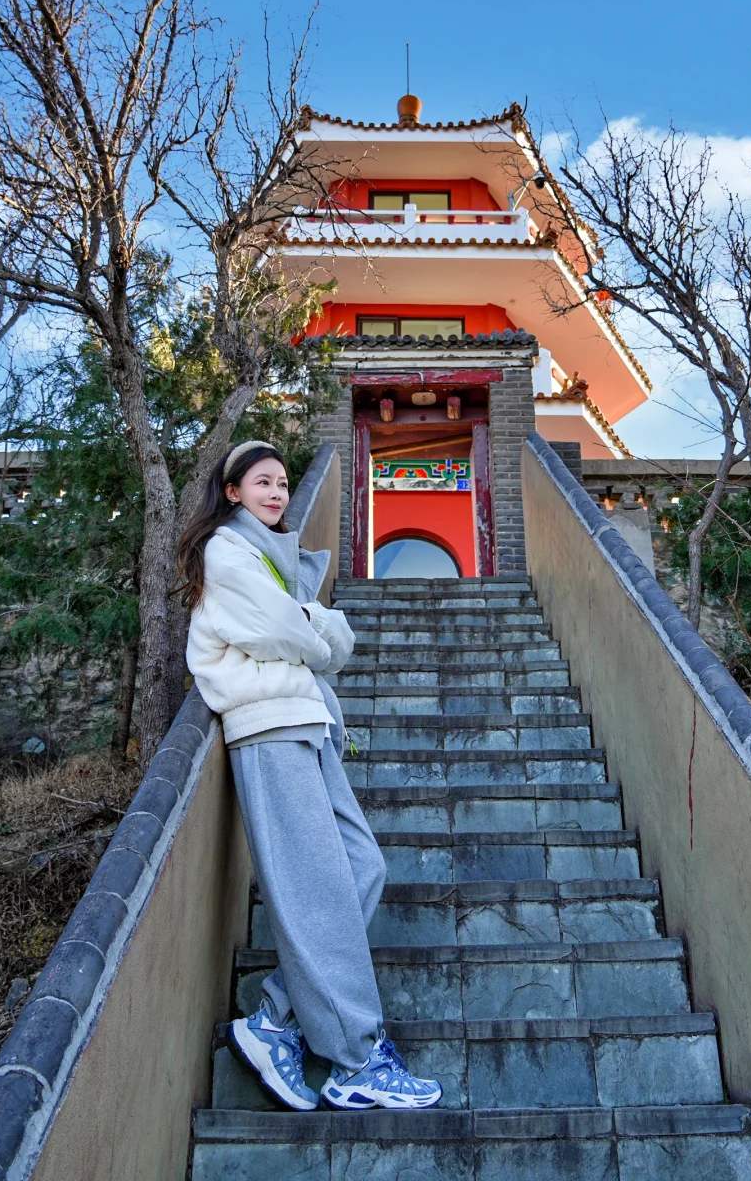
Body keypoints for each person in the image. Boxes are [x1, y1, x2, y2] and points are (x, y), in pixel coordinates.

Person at [176, 439, 442, 1112]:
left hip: (313, 724)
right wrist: (315, 625)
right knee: (317, 888)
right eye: (261, 482)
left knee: (361, 870)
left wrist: (309, 625)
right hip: (267, 728)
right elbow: (282, 630)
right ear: (232, 491)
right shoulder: (226, 552)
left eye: (283, 483)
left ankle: (274, 1020)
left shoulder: (271, 559)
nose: (276, 493)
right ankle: (357, 1058)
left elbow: (320, 639)